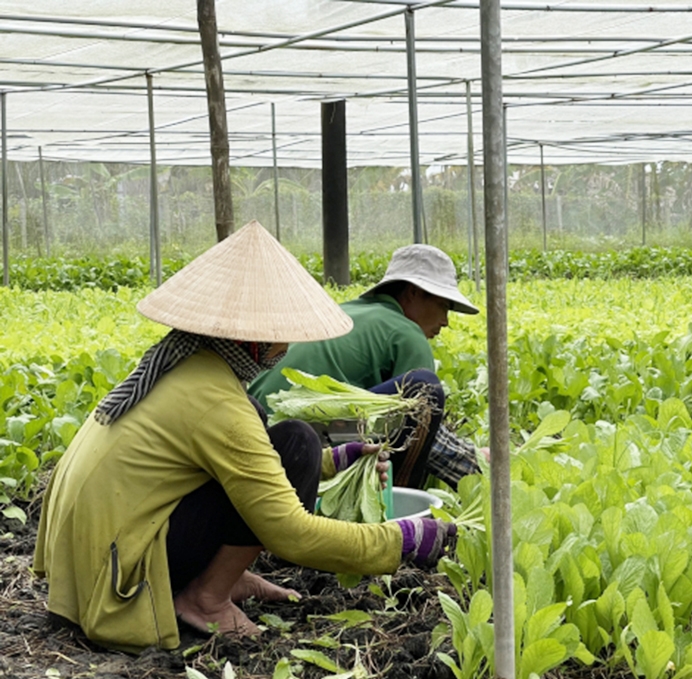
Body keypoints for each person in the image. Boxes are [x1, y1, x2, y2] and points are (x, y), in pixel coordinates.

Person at [31, 221, 456, 654]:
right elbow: (292, 534)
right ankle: (205, 597)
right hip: (120, 581)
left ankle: (220, 577)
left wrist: (335, 459)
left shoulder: (187, 367)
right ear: (257, 338)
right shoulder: (218, 404)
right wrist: (402, 540)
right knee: (295, 445)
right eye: (283, 334)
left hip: (88, 566)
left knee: (297, 442)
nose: (287, 346)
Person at [249, 243, 486, 491]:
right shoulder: (406, 333)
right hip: (304, 440)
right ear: (412, 293)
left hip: (261, 436)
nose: (445, 321)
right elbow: (421, 422)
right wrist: (478, 462)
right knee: (424, 389)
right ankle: (404, 502)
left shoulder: (347, 312)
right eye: (444, 306)